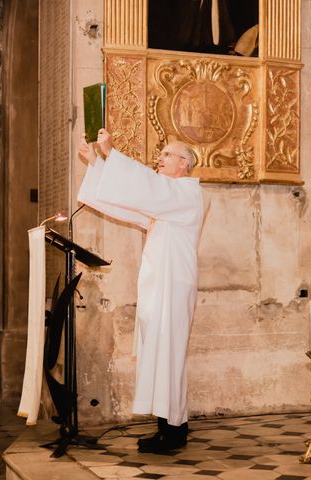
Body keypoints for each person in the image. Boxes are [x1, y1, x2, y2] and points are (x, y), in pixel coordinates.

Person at [77, 128, 206, 453]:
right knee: (163, 354)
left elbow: (148, 187)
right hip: (163, 285)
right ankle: (171, 427)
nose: (159, 159)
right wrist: (97, 164)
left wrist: (112, 153)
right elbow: (125, 205)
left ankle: (173, 431)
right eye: (160, 154)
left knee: (169, 355)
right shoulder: (169, 198)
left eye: (166, 155)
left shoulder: (186, 193)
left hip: (173, 286)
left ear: (184, 164)